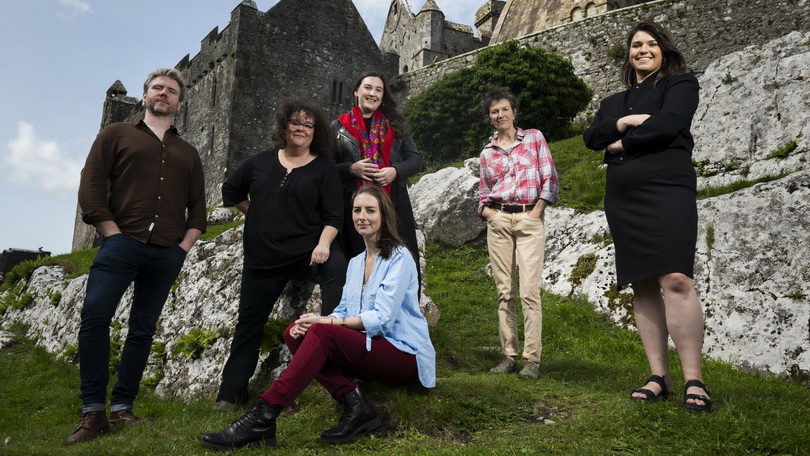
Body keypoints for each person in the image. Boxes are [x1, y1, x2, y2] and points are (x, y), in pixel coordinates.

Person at [200, 184, 436, 450]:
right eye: (357, 210)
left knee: (322, 331)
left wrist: (328, 323)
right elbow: (345, 311)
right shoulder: (357, 261)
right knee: (294, 331)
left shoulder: (400, 257)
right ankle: (355, 405)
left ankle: (263, 415)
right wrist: (317, 319)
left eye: (371, 210)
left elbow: (381, 321)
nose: (362, 217)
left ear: (384, 215)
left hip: (404, 354)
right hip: (371, 347)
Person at [70, 68, 206, 445]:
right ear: (145, 95)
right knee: (96, 317)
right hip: (121, 242)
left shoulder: (188, 153)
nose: (164, 94)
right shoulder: (116, 135)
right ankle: (93, 411)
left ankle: (122, 408)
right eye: (157, 88)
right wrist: (110, 232)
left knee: (143, 328)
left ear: (179, 103)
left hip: (166, 251)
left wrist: (183, 248)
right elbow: (92, 183)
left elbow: (198, 209)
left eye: (172, 91)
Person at [583, 22, 712, 413]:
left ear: (663, 49)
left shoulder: (681, 84)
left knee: (676, 277)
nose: (643, 50)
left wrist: (619, 143)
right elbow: (592, 139)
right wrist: (624, 123)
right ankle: (659, 376)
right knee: (641, 284)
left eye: (651, 44)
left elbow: (671, 123)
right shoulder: (613, 103)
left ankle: (695, 379)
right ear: (628, 53)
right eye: (636, 45)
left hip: (669, 186)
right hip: (624, 195)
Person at [214, 98, 348, 411]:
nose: (302, 129)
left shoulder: (323, 168)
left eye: (309, 125)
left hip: (306, 251)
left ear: (316, 133)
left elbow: (334, 215)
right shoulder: (260, 162)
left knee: (338, 271)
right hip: (263, 257)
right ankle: (230, 394)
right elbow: (231, 191)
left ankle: (328, 341)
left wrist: (324, 244)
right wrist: (255, 213)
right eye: (296, 123)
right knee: (249, 325)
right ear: (284, 126)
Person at [478, 87, 559, 381]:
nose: (500, 115)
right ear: (490, 118)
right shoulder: (487, 152)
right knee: (504, 291)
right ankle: (508, 355)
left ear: (514, 112)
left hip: (528, 218)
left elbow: (549, 177)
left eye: (504, 109)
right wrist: (488, 212)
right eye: (494, 111)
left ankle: (532, 359)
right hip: (498, 220)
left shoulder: (534, 138)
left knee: (529, 292)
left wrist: (536, 211)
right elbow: (484, 190)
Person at [332, 70, 422, 269]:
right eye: (368, 87)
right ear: (356, 91)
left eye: (378, 90)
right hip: (353, 206)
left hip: (394, 201)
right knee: (358, 263)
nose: (373, 93)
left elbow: (415, 160)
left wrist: (395, 171)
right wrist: (350, 168)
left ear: (383, 96)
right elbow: (325, 168)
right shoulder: (337, 127)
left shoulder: (395, 125)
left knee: (401, 260)